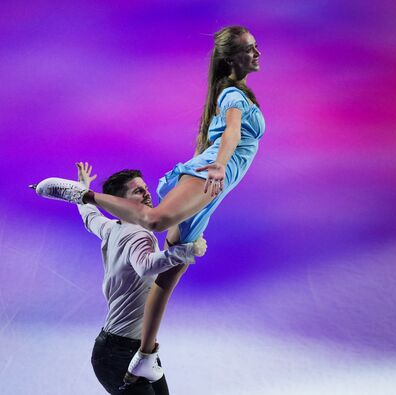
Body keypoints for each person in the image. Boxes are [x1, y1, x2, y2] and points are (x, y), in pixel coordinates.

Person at [33, 25, 265, 383]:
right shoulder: (233, 95)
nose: (257, 53)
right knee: (155, 221)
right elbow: (232, 132)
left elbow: (94, 223)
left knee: (170, 278)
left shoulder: (234, 93)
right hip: (211, 176)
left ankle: (145, 354)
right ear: (230, 58)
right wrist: (219, 161)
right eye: (249, 48)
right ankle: (85, 194)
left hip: (215, 185)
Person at [75, 162, 207, 394]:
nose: (147, 193)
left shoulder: (111, 227)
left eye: (145, 188)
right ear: (121, 203)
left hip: (128, 348)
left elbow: (89, 215)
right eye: (138, 191)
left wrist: (83, 186)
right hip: (118, 355)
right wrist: (186, 251)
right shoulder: (137, 233)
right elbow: (145, 266)